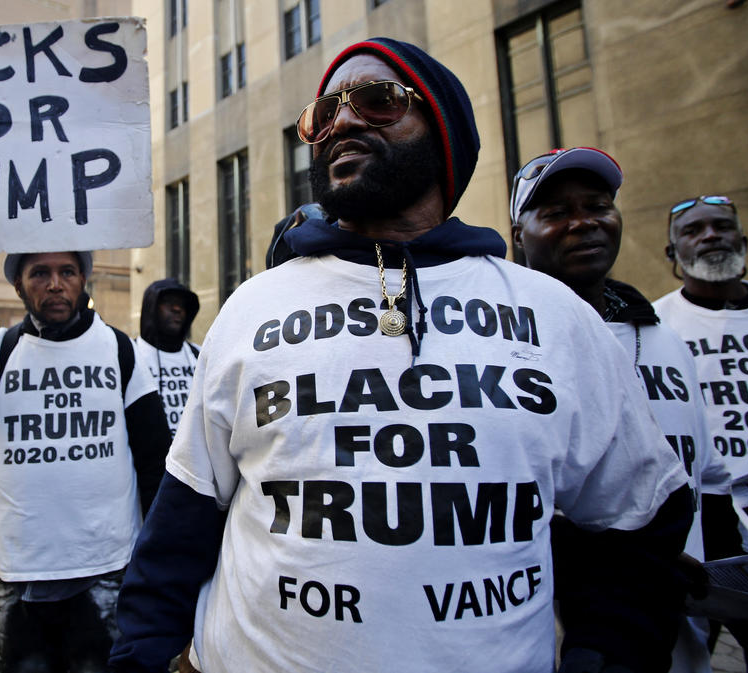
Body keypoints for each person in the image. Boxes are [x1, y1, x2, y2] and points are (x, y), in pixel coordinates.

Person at [109, 38, 693, 673]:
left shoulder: (556, 316)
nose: (346, 121)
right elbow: (182, 520)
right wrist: (144, 655)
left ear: (443, 133)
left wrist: (602, 654)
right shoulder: (252, 309)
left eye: (379, 101)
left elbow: (639, 517)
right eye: (325, 113)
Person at [0, 234, 171, 673]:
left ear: (84, 280)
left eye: (67, 272)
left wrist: (158, 562)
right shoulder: (0, 351)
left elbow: (156, 458)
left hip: (105, 569)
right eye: (40, 273)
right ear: (20, 287)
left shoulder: (120, 351)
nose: (55, 284)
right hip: (18, 575)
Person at [511, 147, 737, 673]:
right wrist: (638, 559)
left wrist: (724, 580)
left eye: (597, 205)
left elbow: (708, 473)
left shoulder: (666, 338)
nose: (583, 222)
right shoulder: (504, 345)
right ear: (519, 235)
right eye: (556, 213)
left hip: (688, 637)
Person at [653, 194, 748, 672]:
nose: (710, 236)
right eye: (694, 230)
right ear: (672, 255)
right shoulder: (655, 326)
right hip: (709, 523)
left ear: (742, 240)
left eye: (722, 226)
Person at [135, 280, 200, 438]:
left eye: (182, 305)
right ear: (151, 307)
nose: (177, 309)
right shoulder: (132, 354)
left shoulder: (198, 354)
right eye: (168, 303)